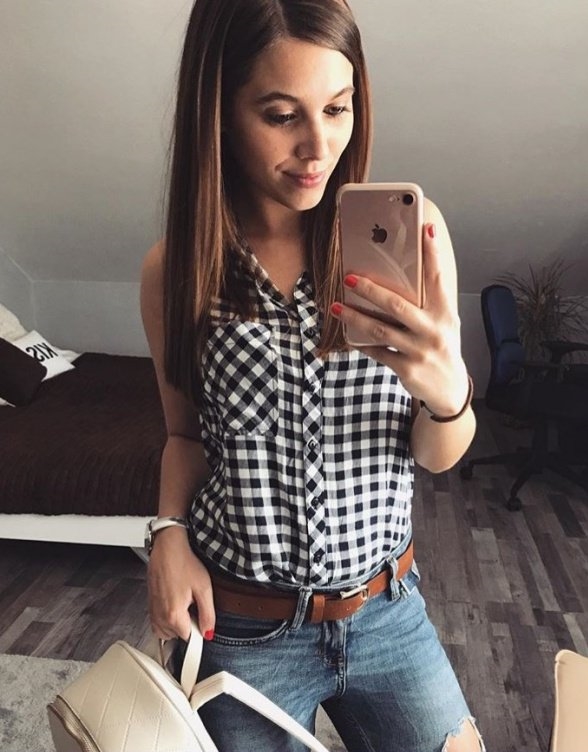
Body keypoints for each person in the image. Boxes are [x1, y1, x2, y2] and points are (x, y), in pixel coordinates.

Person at [140, 1, 485, 750]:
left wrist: (446, 391)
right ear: (219, 111)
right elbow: (184, 436)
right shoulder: (177, 271)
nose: (318, 147)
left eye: (337, 108)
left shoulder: (415, 240)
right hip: (240, 627)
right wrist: (167, 535)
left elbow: (437, 455)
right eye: (280, 115)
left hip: (388, 612)